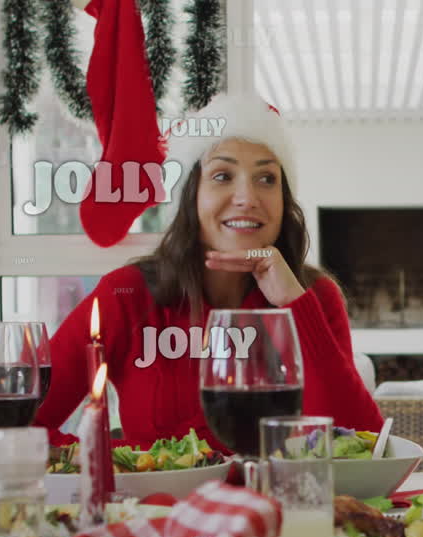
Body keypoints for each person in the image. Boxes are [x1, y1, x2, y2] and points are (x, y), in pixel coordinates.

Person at [35, 94, 384, 453]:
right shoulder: (125, 295)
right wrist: (121, 465)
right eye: (222, 176)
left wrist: (297, 306)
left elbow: (363, 446)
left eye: (267, 178)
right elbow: (21, 425)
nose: (247, 197)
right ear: (191, 196)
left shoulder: (314, 297)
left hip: (281, 492)